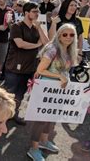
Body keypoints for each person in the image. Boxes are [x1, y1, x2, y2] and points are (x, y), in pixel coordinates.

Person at [27, 24, 79, 160]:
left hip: (59, 90)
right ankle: (34, 148)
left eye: (72, 35)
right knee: (41, 119)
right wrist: (59, 76)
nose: (68, 37)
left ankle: (44, 141)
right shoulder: (52, 48)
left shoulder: (69, 50)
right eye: (65, 34)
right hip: (46, 88)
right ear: (59, 35)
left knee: (52, 117)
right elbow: (40, 70)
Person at [4, 2, 49, 125]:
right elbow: (20, 44)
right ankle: (2, 116)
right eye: (34, 11)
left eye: (37, 11)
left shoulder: (36, 28)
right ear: (26, 13)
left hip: (29, 67)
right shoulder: (16, 26)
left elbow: (46, 43)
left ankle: (14, 114)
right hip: (14, 67)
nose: (37, 14)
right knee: (9, 93)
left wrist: (40, 28)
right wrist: (36, 45)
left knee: (21, 92)